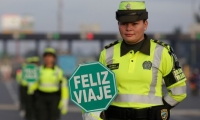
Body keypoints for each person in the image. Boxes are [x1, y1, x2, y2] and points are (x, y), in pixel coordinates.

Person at [83, 1, 187, 120]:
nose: (128, 28)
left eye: (134, 23)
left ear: (145, 24)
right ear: (118, 24)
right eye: (123, 23)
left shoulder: (162, 52)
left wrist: (161, 108)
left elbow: (179, 91)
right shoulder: (107, 54)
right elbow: (96, 93)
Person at [28, 47, 69, 120]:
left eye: (50, 56)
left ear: (54, 58)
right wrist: (31, 89)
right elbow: (35, 83)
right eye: (46, 56)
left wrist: (64, 101)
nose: (48, 58)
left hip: (54, 98)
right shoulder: (39, 70)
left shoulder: (58, 71)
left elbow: (64, 87)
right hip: (41, 97)